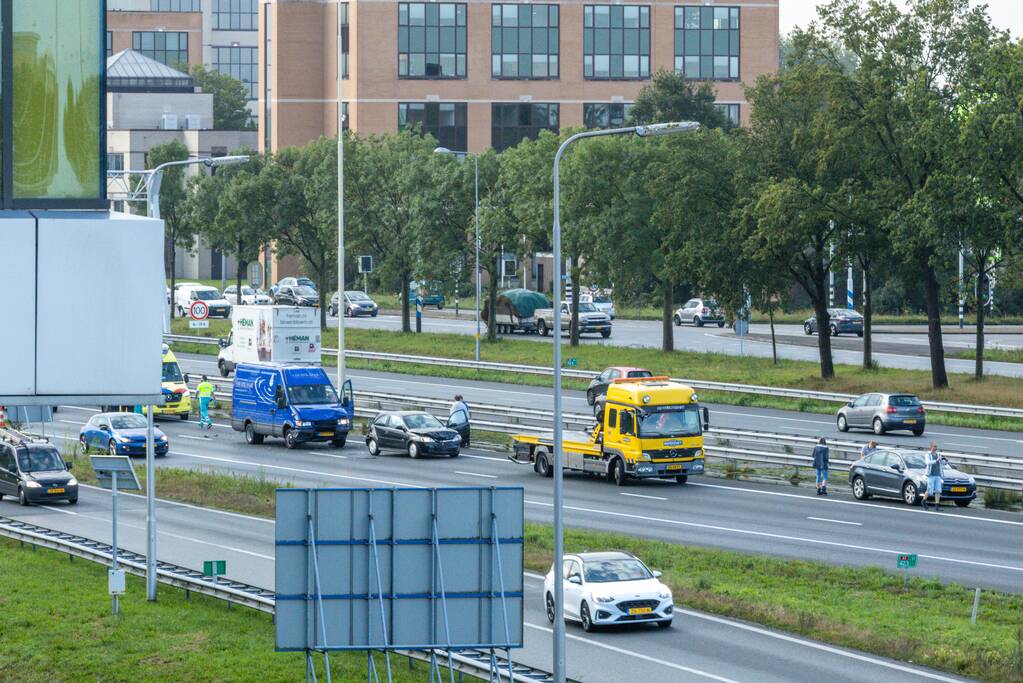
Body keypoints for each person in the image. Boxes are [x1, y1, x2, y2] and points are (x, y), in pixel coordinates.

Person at [923, 442, 944, 511]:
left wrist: (944, 461)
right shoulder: (928, 455)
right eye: (934, 446)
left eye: (936, 446)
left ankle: (937, 506)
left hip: (938, 475)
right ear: (931, 447)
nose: (936, 448)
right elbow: (927, 462)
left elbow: (941, 463)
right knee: (929, 490)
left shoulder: (938, 454)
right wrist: (936, 460)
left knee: (938, 490)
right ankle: (923, 501)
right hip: (931, 475)